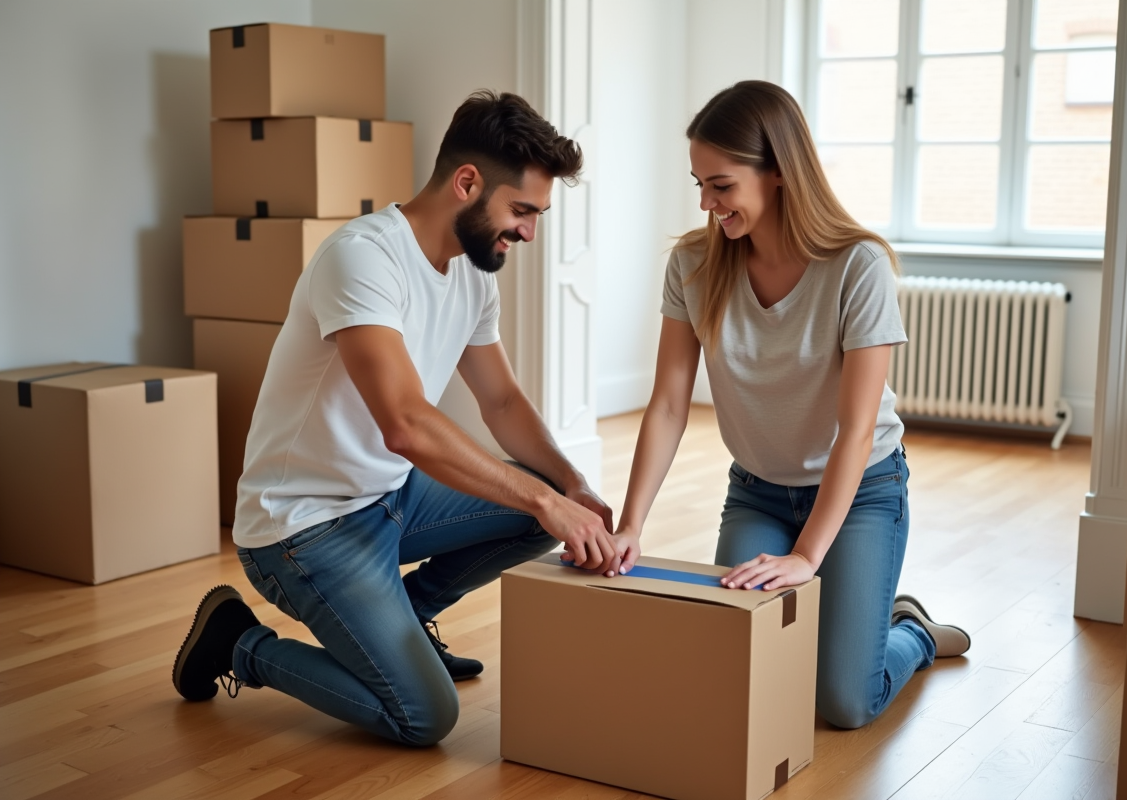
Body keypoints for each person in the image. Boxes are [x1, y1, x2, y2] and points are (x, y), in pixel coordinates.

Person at [173, 90, 617, 746]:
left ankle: (405, 619)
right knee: (424, 717)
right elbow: (404, 423)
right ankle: (237, 642)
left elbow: (502, 402)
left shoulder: (473, 274)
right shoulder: (363, 258)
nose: (528, 231)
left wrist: (571, 488)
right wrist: (546, 501)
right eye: (522, 210)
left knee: (541, 505)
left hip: (389, 496)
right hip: (303, 528)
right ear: (468, 183)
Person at [604, 81, 970, 730]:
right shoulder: (692, 263)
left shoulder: (859, 266)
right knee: (740, 671)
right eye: (698, 183)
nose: (705, 202)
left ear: (777, 172)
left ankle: (910, 631)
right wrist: (631, 525)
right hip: (758, 492)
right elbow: (666, 404)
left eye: (720, 185)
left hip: (860, 491)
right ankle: (857, 614)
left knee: (842, 702)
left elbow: (856, 432)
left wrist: (806, 556)